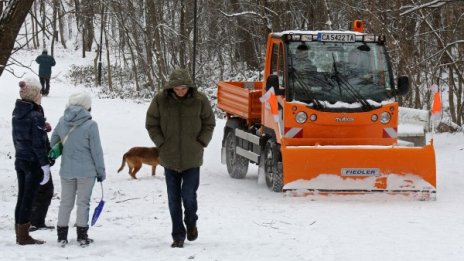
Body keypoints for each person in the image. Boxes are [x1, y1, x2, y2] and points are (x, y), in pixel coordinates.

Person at [145, 68, 215, 248]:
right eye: (177, 89)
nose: (180, 92)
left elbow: (209, 122)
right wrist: (161, 143)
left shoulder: (199, 100)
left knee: (189, 196)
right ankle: (178, 235)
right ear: (171, 88)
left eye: (183, 88)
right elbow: (151, 123)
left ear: (189, 87)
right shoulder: (161, 100)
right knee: (173, 199)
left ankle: (191, 222)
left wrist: (201, 141)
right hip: (169, 158)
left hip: (192, 158)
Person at [50, 92, 106, 247]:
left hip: (66, 171)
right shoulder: (91, 125)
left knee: (65, 203)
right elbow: (96, 151)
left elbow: (53, 141)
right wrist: (101, 172)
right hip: (86, 173)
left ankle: (62, 235)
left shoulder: (62, 121)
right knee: (83, 203)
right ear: (87, 106)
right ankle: (82, 236)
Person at [12, 78, 50, 245]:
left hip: (20, 158)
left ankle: (19, 232)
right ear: (34, 94)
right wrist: (45, 165)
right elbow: (38, 144)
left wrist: (43, 127)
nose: (41, 95)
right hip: (33, 163)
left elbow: (24, 136)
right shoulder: (35, 116)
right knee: (29, 198)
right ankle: (23, 236)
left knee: (21, 197)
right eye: (39, 92)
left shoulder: (18, 112)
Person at [29, 105, 55, 232]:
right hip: (37, 160)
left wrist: (49, 151)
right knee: (45, 190)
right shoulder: (33, 112)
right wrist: (44, 160)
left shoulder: (29, 109)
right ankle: (35, 222)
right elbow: (37, 142)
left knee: (40, 190)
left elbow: (42, 137)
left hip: (31, 159)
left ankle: (34, 221)